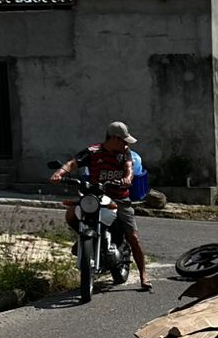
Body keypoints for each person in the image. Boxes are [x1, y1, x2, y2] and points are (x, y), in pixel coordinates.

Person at [50, 121, 152, 291]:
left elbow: (129, 169)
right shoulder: (93, 152)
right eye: (124, 141)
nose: (126, 144)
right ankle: (82, 240)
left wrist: (127, 179)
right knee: (71, 214)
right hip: (95, 196)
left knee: (133, 236)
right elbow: (72, 163)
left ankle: (143, 274)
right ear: (114, 138)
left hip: (120, 198)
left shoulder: (125, 153)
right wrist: (59, 173)